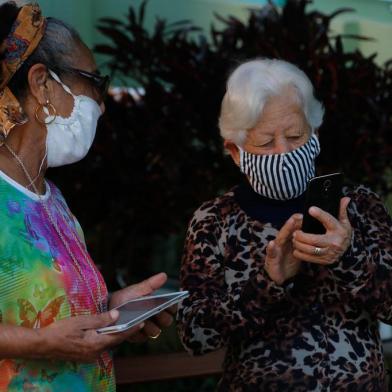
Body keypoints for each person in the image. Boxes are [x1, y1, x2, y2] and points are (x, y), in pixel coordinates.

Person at [177, 58, 392, 391]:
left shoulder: (357, 205)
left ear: (315, 134)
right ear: (235, 152)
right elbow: (195, 336)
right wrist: (268, 282)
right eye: (265, 143)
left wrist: (348, 257)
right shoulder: (214, 221)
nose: (284, 151)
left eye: (295, 135)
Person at [0, 2, 173, 391]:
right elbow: (45, 335)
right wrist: (42, 344)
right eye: (94, 82)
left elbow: (49, 313)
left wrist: (114, 311)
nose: (101, 103)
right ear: (41, 83)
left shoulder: (51, 199)